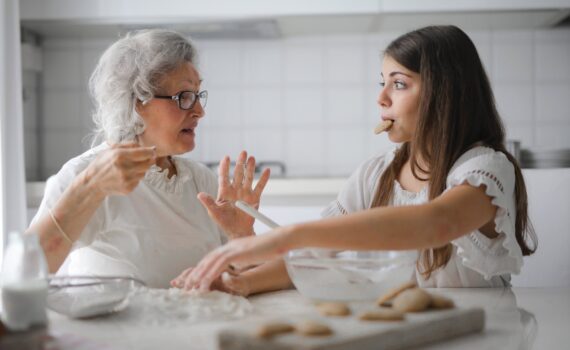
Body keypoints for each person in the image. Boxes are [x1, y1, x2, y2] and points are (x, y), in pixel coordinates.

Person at [172, 25, 537, 293]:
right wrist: (243, 280)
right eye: (382, 82)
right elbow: (318, 255)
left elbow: (436, 223)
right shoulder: (375, 174)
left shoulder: (485, 170)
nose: (381, 98)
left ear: (445, 94)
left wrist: (290, 233)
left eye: (398, 83)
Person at [27, 29, 269, 288]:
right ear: (136, 101)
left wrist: (241, 235)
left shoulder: (200, 181)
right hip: (115, 329)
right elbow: (26, 271)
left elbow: (243, 279)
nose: (200, 111)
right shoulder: (86, 174)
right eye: (184, 97)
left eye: (198, 95)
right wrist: (89, 189)